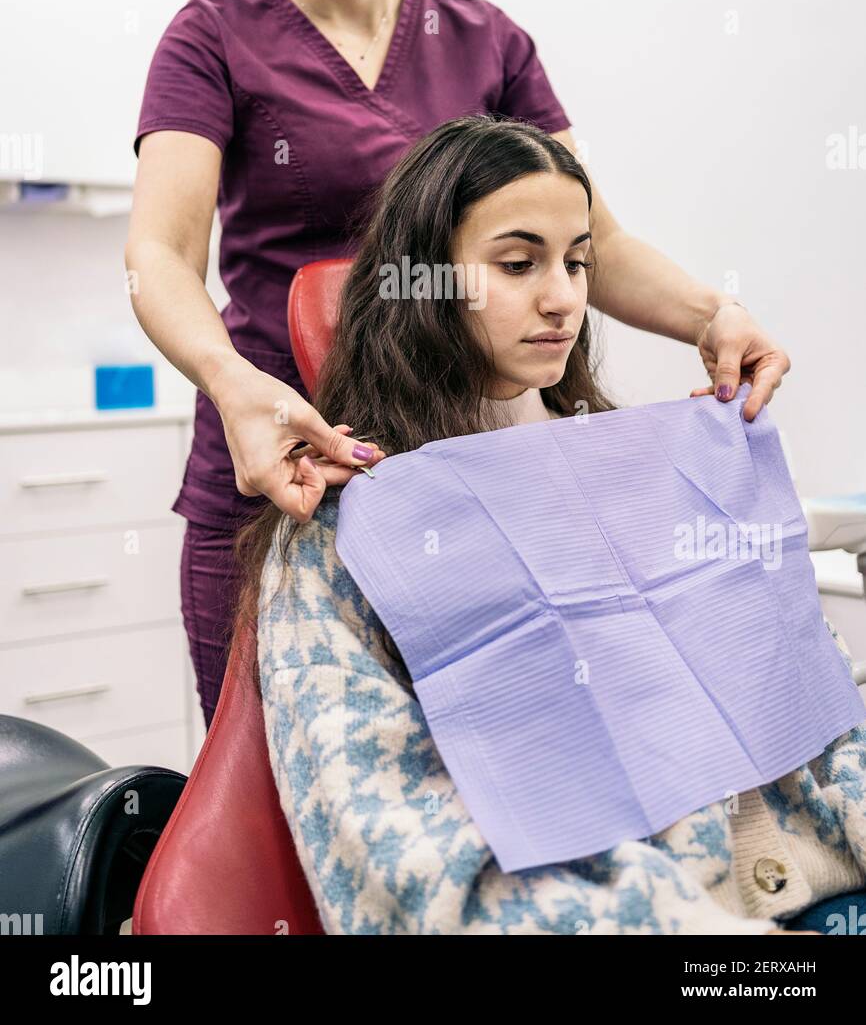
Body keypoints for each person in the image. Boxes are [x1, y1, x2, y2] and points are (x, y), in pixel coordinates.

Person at [125, 0, 791, 730]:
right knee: (273, 766)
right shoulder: (212, 35)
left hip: (464, 466)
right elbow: (159, 257)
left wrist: (711, 313)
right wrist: (234, 387)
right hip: (279, 456)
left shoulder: (485, 40)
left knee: (473, 757)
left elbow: (591, 239)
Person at [236, 117, 865, 936]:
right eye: (517, 263)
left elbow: (824, 709)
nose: (564, 297)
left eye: (578, 262)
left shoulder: (653, 467)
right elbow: (397, 850)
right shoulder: (348, 526)